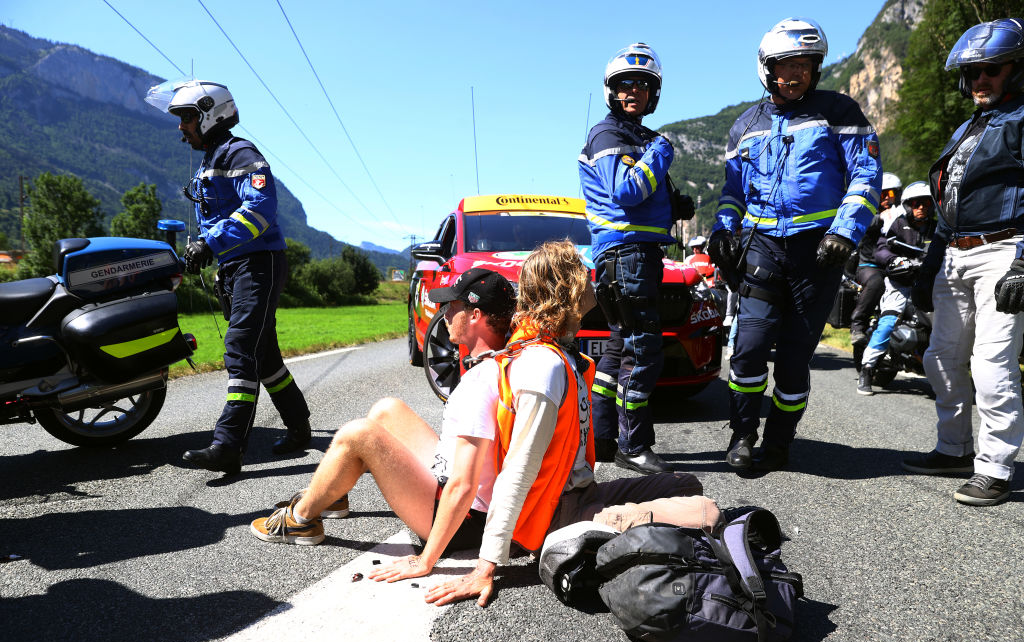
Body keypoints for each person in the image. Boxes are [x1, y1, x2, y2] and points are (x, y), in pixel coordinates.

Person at [424, 241, 719, 608]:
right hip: (560, 515)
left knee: (687, 483)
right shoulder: (540, 367)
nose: (594, 284)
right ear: (570, 290)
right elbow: (518, 471)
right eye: (585, 276)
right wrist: (485, 566)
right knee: (707, 512)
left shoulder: (555, 351)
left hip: (581, 494)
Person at [250, 268, 516, 570]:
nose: (444, 313)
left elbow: (464, 486)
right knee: (386, 410)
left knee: (359, 435)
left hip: (463, 519)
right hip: (462, 490)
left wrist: (425, 560)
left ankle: (299, 520)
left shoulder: (481, 384)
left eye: (453, 306)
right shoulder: (501, 360)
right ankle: (331, 494)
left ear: (476, 316)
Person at [706, 18, 882, 472]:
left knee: (793, 359)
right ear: (766, 68)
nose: (796, 74)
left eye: (806, 65)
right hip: (762, 246)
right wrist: (723, 228)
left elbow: (865, 177)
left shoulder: (841, 112)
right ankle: (743, 435)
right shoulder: (744, 125)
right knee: (747, 348)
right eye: (786, 65)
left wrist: (845, 230)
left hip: (817, 252)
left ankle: (780, 442)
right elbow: (732, 192)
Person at [144, 79, 311, 475]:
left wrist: (211, 243)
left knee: (239, 348)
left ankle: (228, 445)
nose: (181, 128)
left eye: (186, 118)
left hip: (260, 263)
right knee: (264, 355)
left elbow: (260, 207)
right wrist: (204, 248)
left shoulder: (240, 152)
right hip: (238, 266)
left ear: (209, 113)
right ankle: (300, 427)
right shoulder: (214, 157)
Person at [903, 18, 1024, 506]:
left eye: (992, 71)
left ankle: (995, 468)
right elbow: (950, 204)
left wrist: (1023, 262)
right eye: (974, 72)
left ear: (1015, 71)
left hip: (1004, 249)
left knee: (992, 365)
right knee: (941, 358)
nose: (981, 81)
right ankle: (954, 448)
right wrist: (932, 261)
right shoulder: (967, 128)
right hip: (955, 256)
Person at [578, 43, 676, 475]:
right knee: (643, 349)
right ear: (610, 91)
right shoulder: (610, 135)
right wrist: (661, 152)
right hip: (627, 254)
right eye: (624, 85)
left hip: (631, 253)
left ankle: (600, 438)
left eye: (642, 85)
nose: (633, 91)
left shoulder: (633, 136)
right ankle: (632, 445)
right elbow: (627, 191)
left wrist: (678, 203)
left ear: (653, 94)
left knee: (617, 351)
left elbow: (648, 193)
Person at [857, 181, 935, 395]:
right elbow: (881, 249)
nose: (922, 208)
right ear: (908, 205)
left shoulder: (936, 229)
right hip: (900, 283)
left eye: (927, 203)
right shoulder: (898, 224)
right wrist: (894, 260)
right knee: (888, 322)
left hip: (928, 285)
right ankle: (867, 369)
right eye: (917, 203)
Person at [850, 172, 903, 365]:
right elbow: (864, 223)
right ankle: (857, 326)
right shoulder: (868, 212)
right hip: (869, 265)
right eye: (885, 193)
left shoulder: (902, 216)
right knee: (876, 283)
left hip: (896, 265)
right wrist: (881, 217)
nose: (889, 197)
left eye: (893, 193)